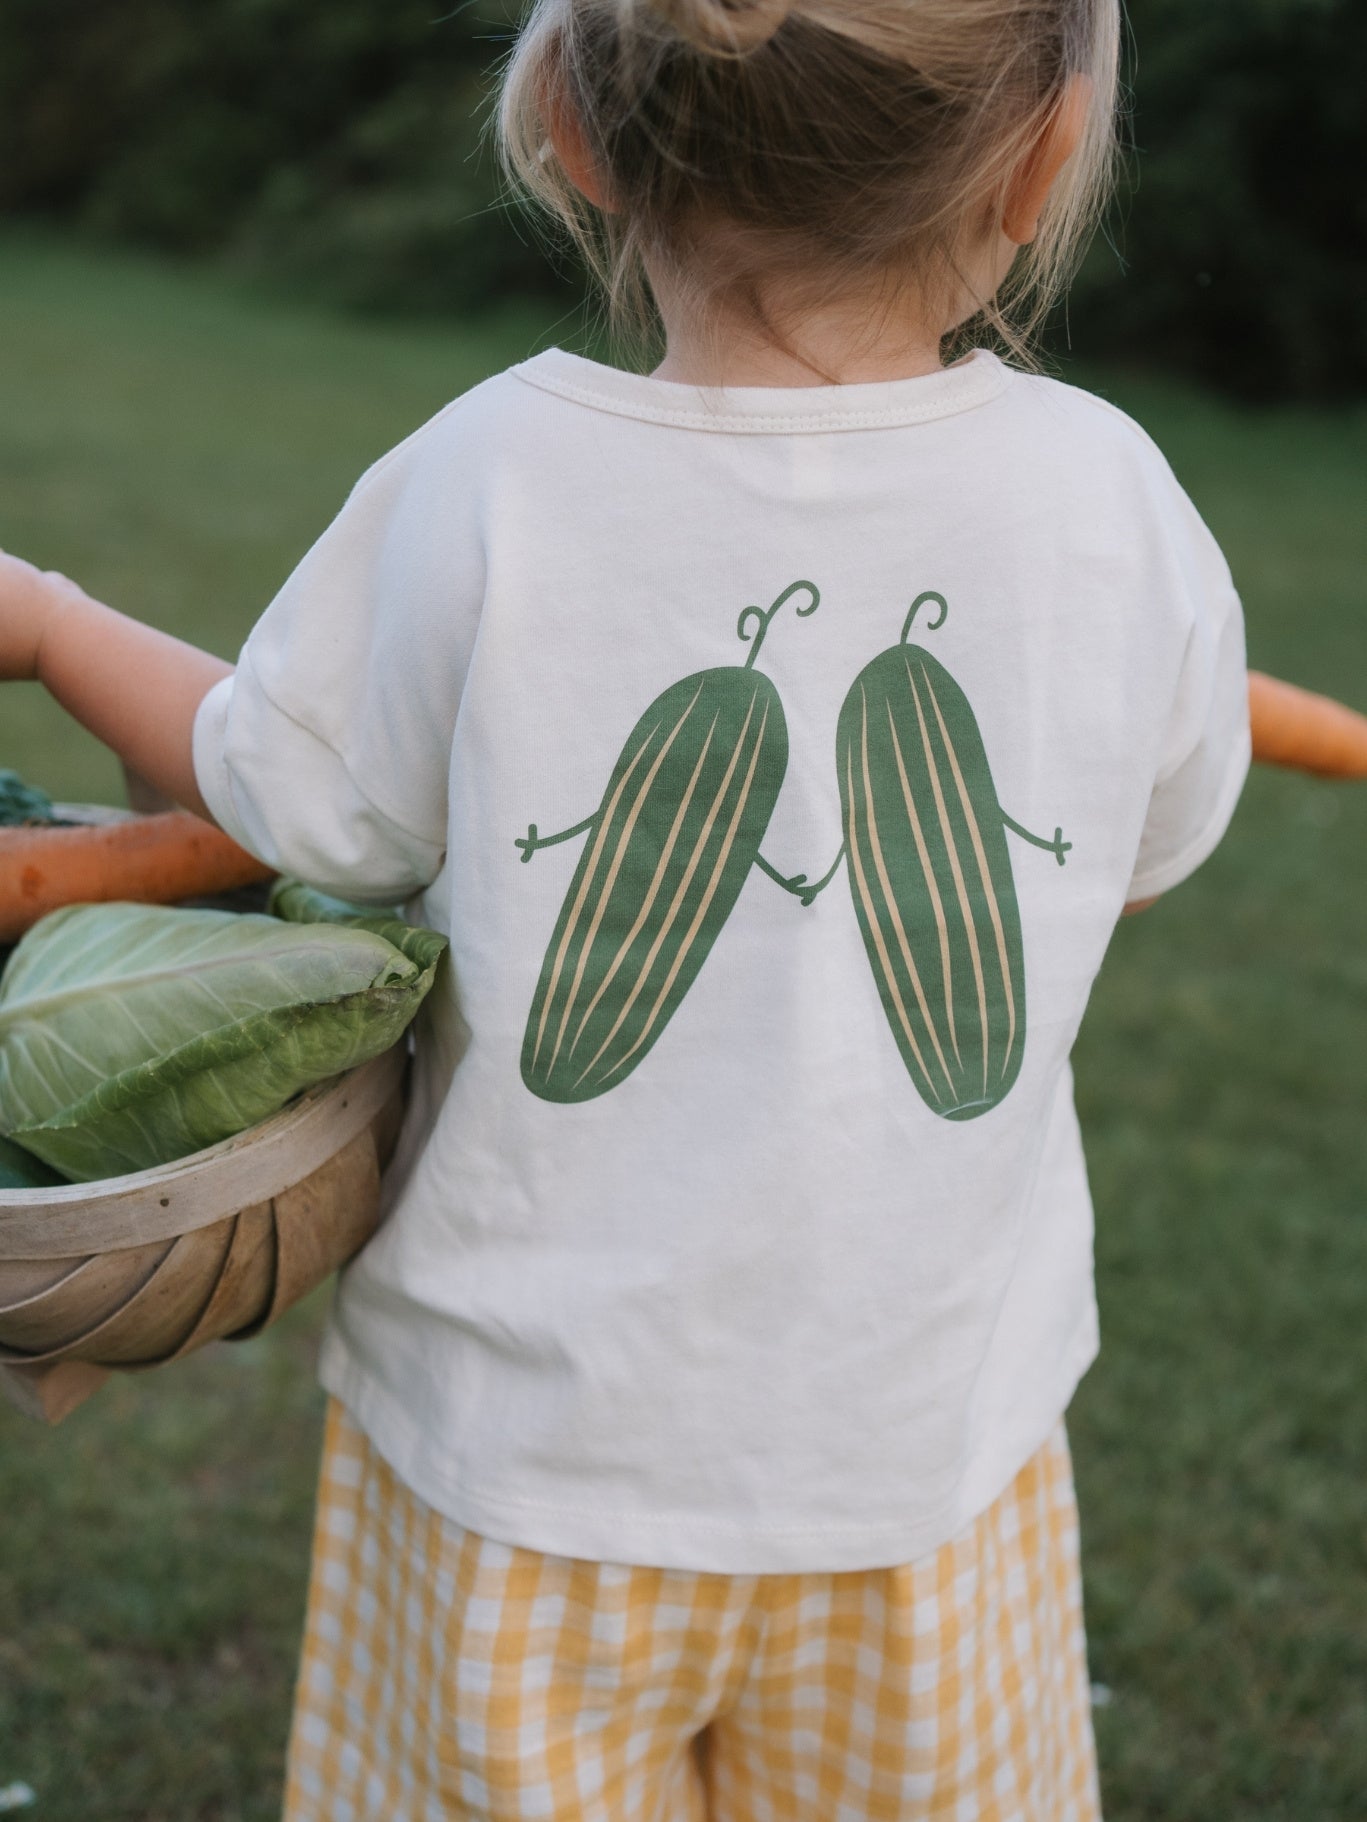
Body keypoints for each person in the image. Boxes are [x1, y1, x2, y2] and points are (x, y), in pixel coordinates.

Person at [0, 0, 1251, 1813]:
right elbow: (1126, 869)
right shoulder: (1117, 503)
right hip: (920, 1474)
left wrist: (42, 620)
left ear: (576, 134)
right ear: (1046, 154)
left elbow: (281, 787)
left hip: (522, 1476)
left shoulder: (485, 480)